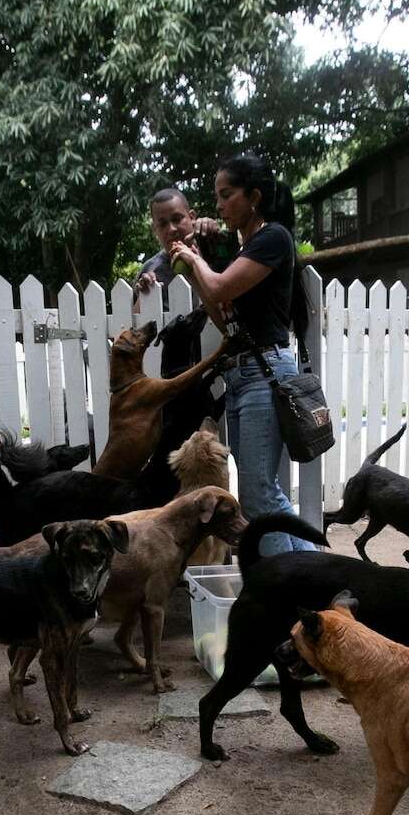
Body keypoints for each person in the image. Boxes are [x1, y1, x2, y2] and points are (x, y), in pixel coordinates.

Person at [169, 153, 314, 556]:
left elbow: (218, 289)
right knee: (262, 495)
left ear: (253, 197)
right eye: (216, 196)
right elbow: (221, 313)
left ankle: (297, 580)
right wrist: (195, 262)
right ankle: (311, 576)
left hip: (263, 376)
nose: (218, 205)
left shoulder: (274, 238)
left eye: (226, 195)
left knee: (260, 496)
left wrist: (195, 258)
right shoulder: (249, 246)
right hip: (242, 375)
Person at [132, 188, 224, 312]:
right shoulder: (149, 270)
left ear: (192, 217)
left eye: (177, 219)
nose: (171, 229)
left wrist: (217, 235)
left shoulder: (214, 249)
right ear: (155, 229)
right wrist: (145, 296)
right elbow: (135, 324)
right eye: (163, 224)